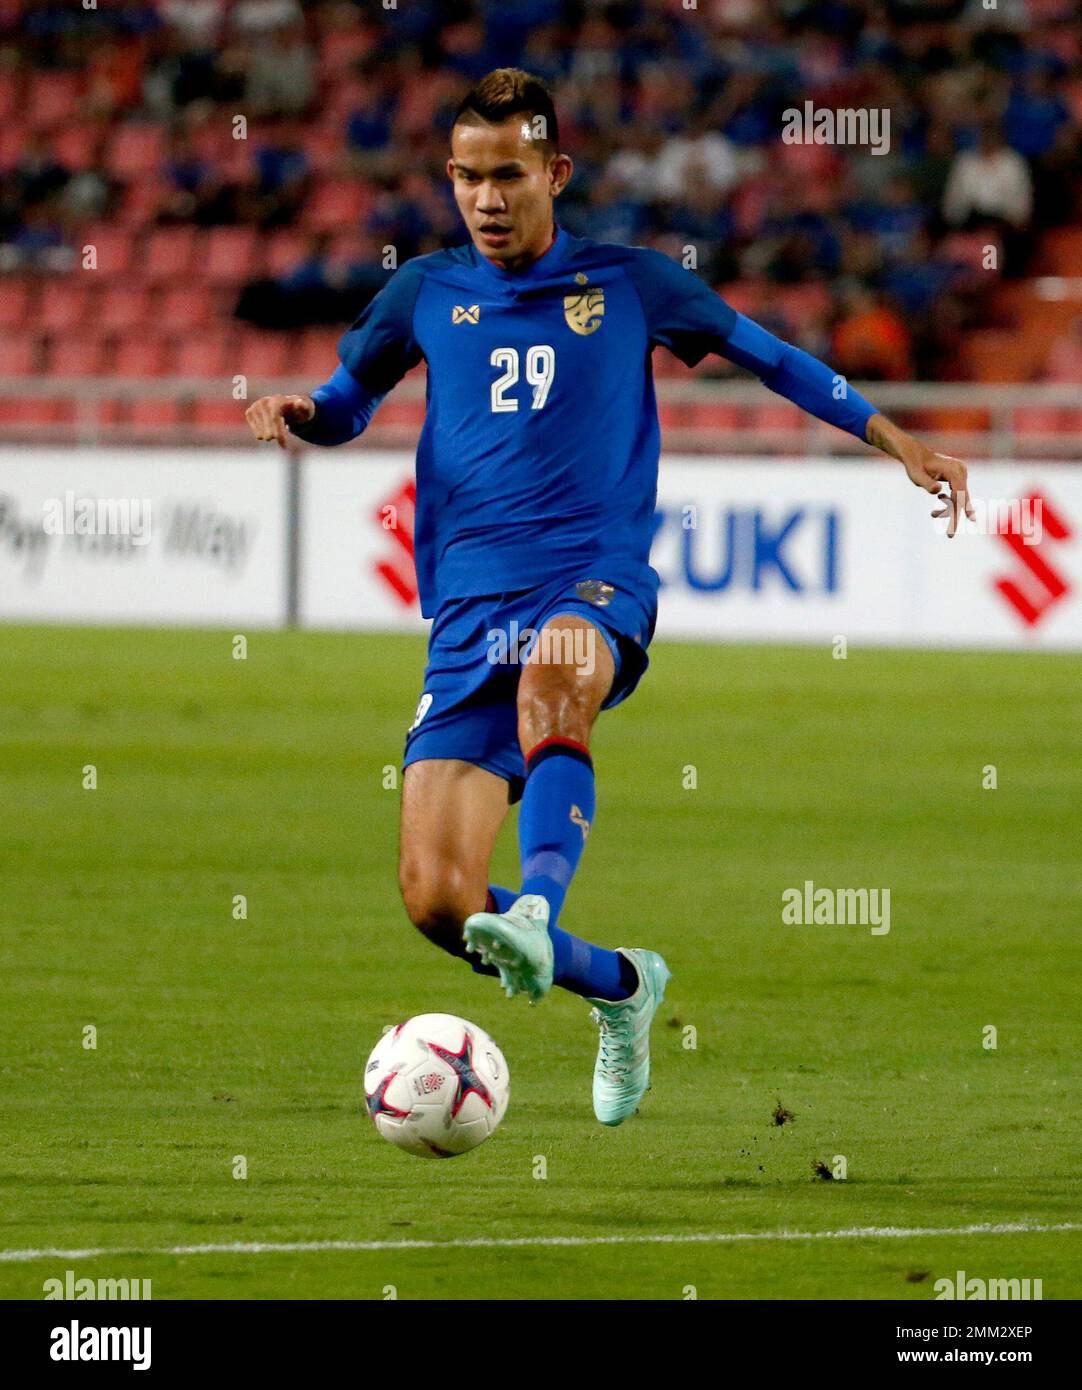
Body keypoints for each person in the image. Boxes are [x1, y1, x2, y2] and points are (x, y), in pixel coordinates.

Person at [246, 69, 972, 1127]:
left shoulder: (630, 284)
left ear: (554, 172)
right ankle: (623, 986)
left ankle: (537, 905)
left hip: (592, 578)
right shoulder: (425, 293)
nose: (486, 200)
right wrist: (298, 411)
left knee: (556, 681)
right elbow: (349, 403)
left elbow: (767, 357)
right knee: (436, 896)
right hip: (465, 610)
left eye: (508, 176)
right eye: (466, 179)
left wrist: (892, 437)